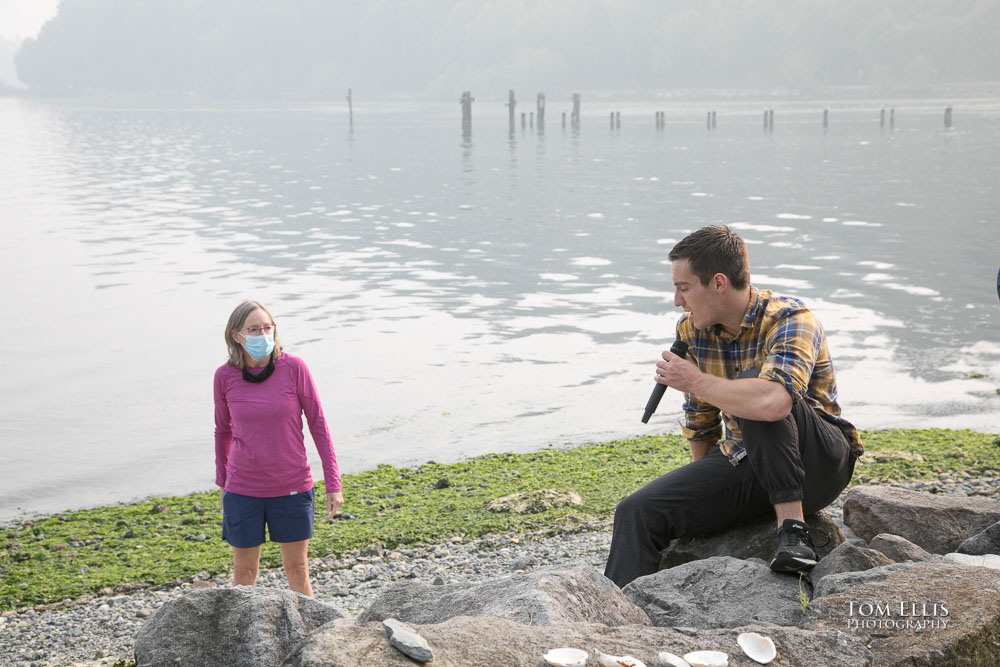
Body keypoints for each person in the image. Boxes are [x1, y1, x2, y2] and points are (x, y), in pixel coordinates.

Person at [604, 225, 863, 588]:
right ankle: (620, 619)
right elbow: (702, 424)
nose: (678, 301)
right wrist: (705, 495)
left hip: (820, 462)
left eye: (683, 288)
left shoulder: (791, 319)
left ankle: (794, 532)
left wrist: (692, 379)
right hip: (751, 461)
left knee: (758, 390)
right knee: (636, 511)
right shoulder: (692, 330)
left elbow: (773, 404)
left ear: (719, 283)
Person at [214, 300, 344, 597]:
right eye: (254, 329)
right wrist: (222, 482)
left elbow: (319, 426)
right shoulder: (224, 376)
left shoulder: (294, 368)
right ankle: (242, 639)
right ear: (237, 335)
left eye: (267, 328)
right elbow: (223, 431)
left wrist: (333, 484)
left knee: (297, 571)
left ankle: (312, 637)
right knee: (244, 576)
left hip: (292, 487)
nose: (262, 334)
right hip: (243, 489)